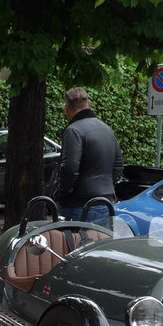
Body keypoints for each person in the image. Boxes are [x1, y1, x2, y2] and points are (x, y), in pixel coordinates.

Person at [56, 87, 124, 225]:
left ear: (66, 108)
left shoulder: (73, 131)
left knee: (76, 239)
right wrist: (106, 185)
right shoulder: (107, 129)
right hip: (106, 203)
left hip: (79, 205)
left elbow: (69, 168)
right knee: (102, 239)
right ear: (90, 104)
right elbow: (118, 165)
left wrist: (61, 194)